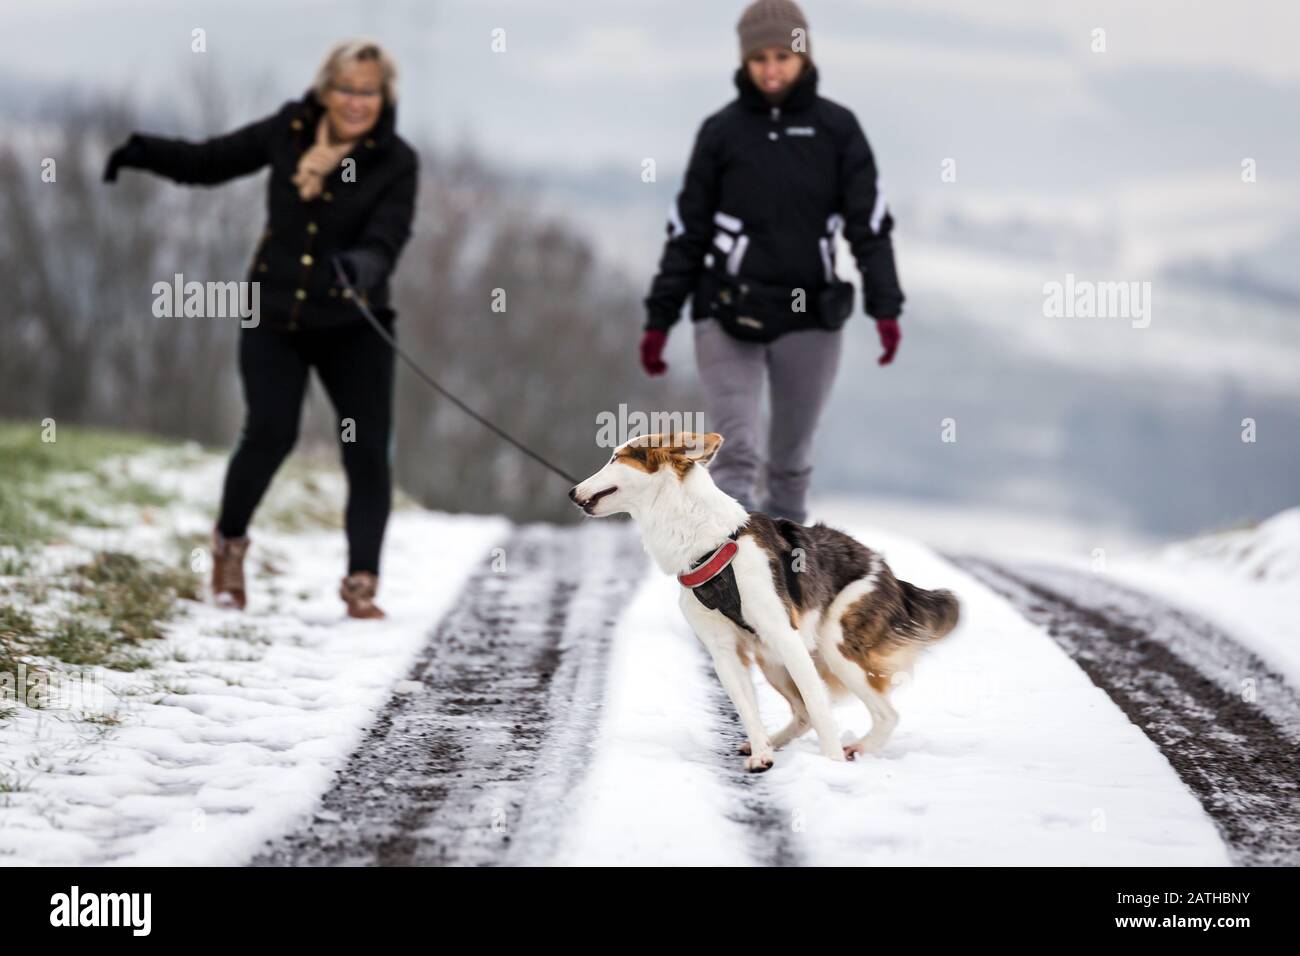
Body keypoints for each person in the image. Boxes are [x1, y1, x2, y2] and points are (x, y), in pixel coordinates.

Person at [103, 39, 419, 619]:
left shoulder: (397, 161)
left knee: (366, 450)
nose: (356, 101)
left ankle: (361, 582)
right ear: (326, 89)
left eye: (368, 91)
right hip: (275, 316)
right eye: (346, 88)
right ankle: (228, 546)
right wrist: (142, 151)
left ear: (384, 96)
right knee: (271, 431)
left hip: (355, 323)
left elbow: (389, 236)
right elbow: (209, 162)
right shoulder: (288, 130)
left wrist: (363, 266)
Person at [641, 0, 904, 525]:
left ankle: (788, 582)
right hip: (727, 312)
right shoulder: (721, 132)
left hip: (810, 320)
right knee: (735, 452)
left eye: (783, 55)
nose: (771, 68)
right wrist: (659, 319)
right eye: (759, 57)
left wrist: (885, 307)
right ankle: (730, 583)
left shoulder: (837, 131)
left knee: (790, 464)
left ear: (803, 57)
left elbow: (868, 226)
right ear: (744, 62)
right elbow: (688, 231)